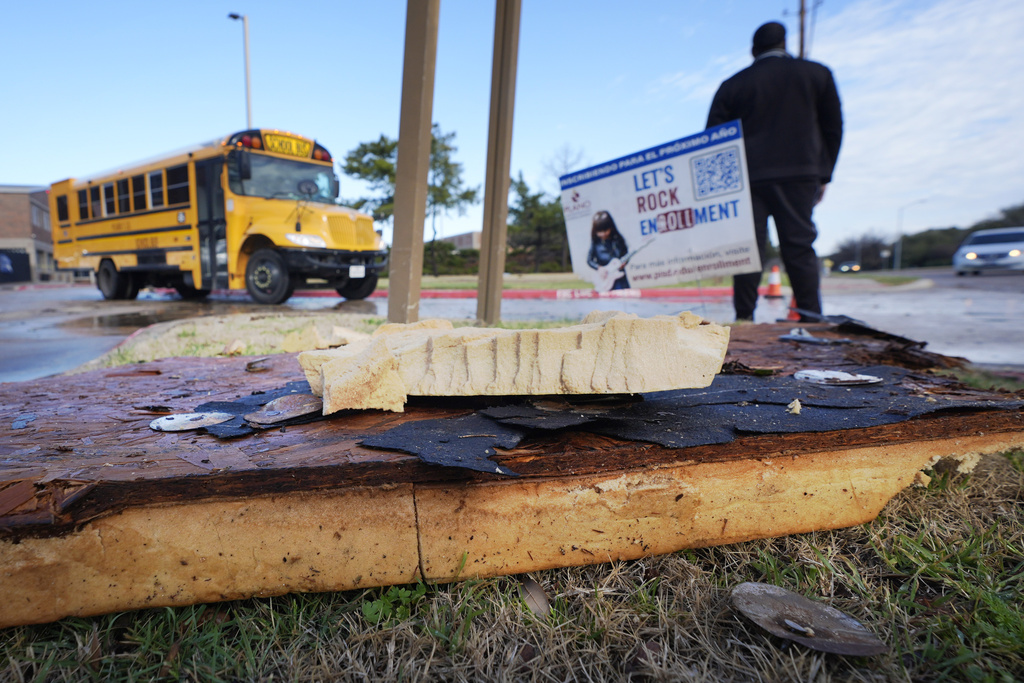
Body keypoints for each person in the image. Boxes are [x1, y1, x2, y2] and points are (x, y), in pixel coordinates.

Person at [706, 21, 843, 322]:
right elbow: (833, 128)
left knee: (747, 249)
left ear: (753, 50)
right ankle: (810, 318)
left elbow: (712, 139)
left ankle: (743, 319)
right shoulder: (816, 74)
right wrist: (824, 173)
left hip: (746, 179)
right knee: (799, 246)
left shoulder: (733, 85)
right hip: (800, 173)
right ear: (784, 43)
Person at [587, 210, 631, 291]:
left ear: (610, 227)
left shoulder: (618, 240)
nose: (603, 234)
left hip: (619, 277)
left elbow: (625, 254)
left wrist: (624, 262)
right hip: (605, 278)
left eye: (605, 230)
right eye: (599, 231)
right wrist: (599, 267)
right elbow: (589, 260)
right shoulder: (596, 243)